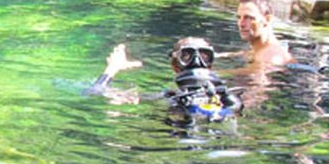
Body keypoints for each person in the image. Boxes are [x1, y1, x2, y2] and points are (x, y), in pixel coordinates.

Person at [87, 39, 243, 120]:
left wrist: (112, 69)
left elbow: (96, 92)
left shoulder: (166, 98)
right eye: (187, 56)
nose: (196, 62)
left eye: (203, 56)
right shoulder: (169, 97)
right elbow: (93, 94)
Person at [236, 0, 294, 67]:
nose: (241, 24)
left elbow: (257, 74)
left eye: (248, 18)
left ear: (267, 19)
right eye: (239, 17)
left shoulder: (273, 58)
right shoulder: (260, 50)